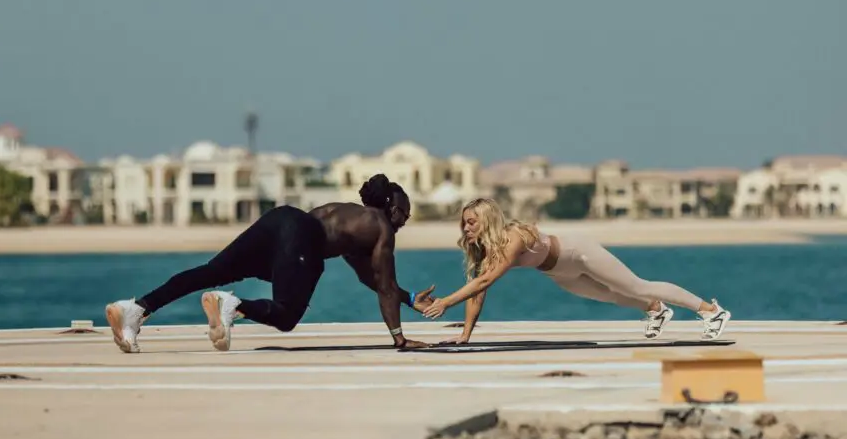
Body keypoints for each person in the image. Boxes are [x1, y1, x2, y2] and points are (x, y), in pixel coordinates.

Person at [105, 174, 436, 352]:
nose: (404, 221)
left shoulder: (352, 219)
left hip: (280, 221)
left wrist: (407, 298)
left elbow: (374, 282)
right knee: (288, 314)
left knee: (212, 270)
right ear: (391, 207)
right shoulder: (380, 227)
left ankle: (136, 310)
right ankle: (232, 306)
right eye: (404, 213)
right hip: (302, 238)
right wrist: (400, 339)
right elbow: (385, 285)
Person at [421, 198, 732, 343]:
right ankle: (656, 311)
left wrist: (446, 302)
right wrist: (464, 337)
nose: (465, 227)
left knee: (637, 286)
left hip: (578, 253)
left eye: (471, 221)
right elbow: (479, 290)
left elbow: (486, 280)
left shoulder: (512, 239)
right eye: (463, 222)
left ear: (487, 220)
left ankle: (711, 311)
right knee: (611, 297)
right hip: (558, 272)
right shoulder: (485, 250)